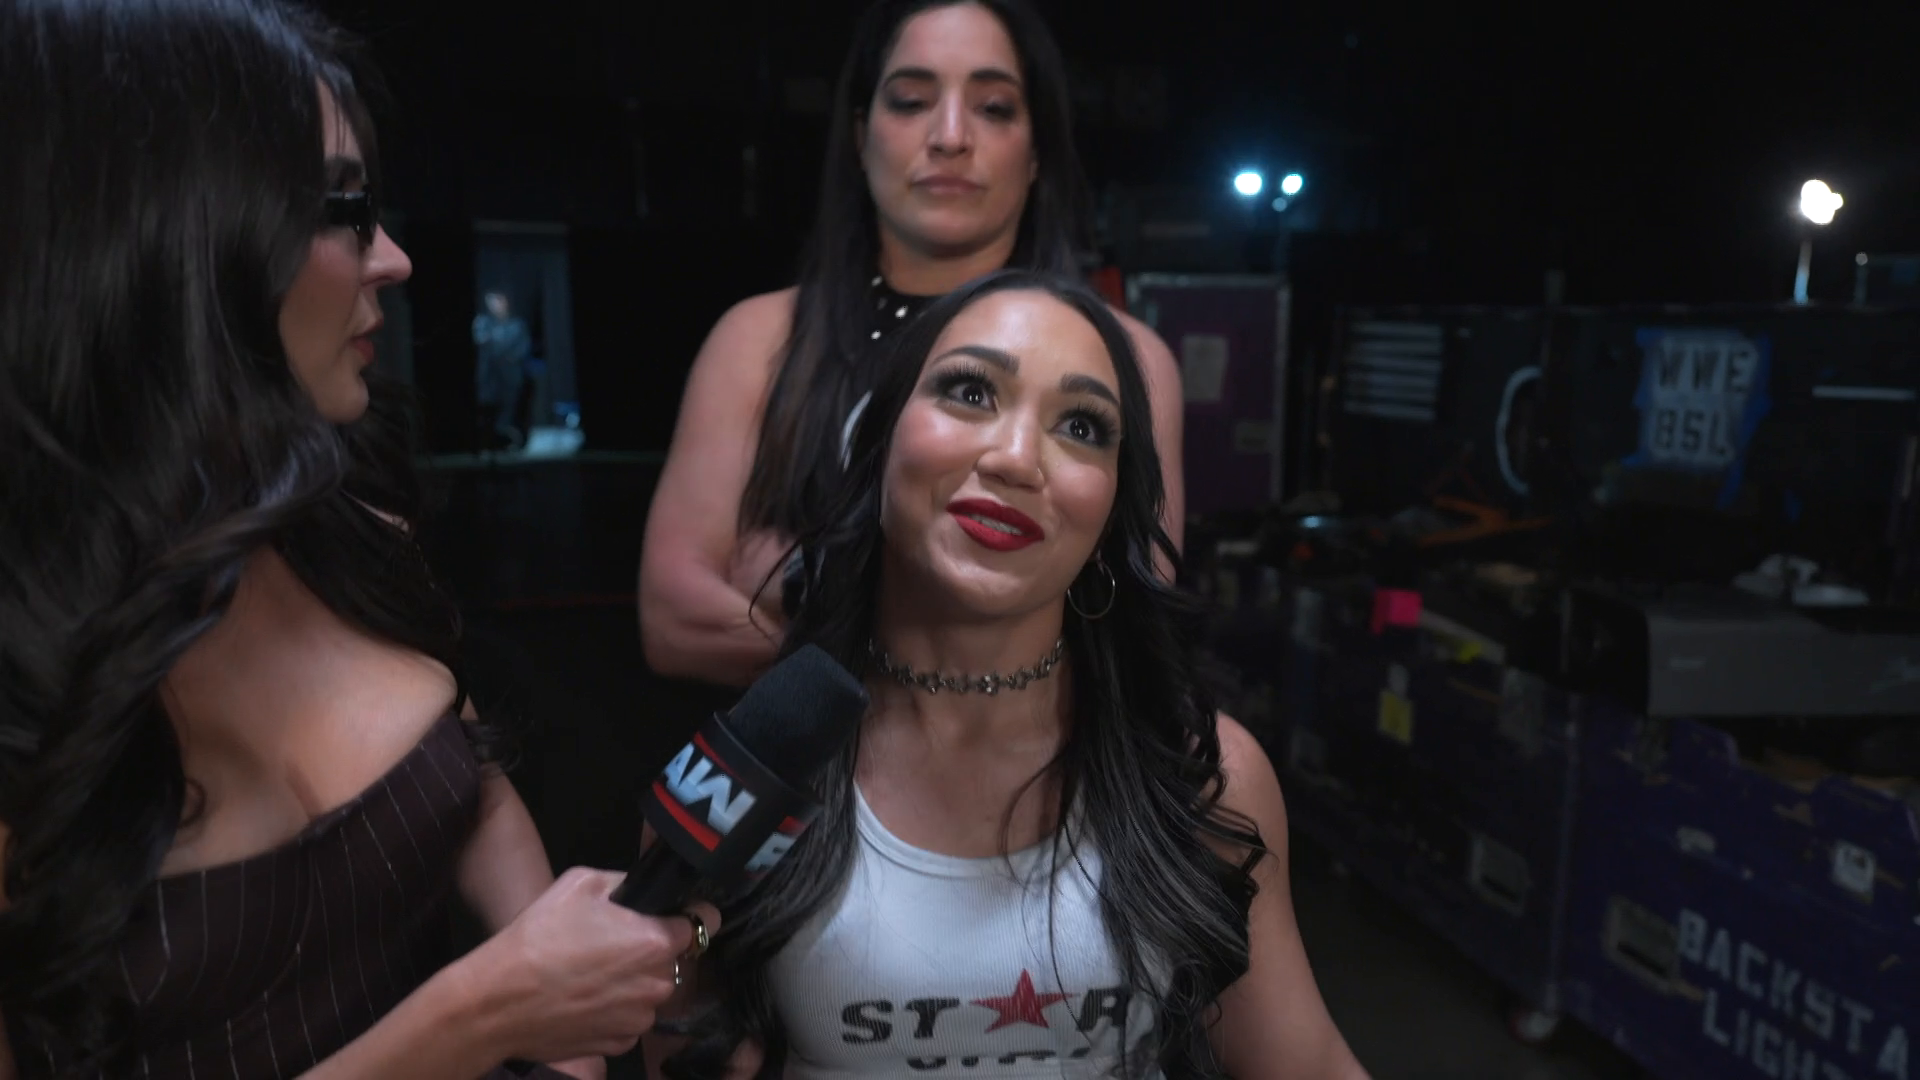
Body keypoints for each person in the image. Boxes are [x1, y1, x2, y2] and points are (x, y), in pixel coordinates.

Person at [0, 3, 712, 1079]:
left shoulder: (353, 531)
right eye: (341, 210)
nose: (395, 259)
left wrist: (574, 1021)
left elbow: (468, 785)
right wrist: (489, 1013)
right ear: (154, 234)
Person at [651, 271, 1368, 1079]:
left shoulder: (1199, 772)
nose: (1018, 459)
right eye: (970, 391)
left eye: (1082, 426)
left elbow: (1307, 1063)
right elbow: (679, 1035)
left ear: (1112, 514)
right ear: (879, 447)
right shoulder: (744, 774)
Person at [639, 0, 1188, 688]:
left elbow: (1127, 637)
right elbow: (676, 622)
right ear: (861, 134)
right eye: (910, 101)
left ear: (1037, 149)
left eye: (993, 107)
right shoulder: (759, 337)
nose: (950, 136)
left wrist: (800, 581)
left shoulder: (1125, 361)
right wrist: (963, 651)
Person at [473, 290, 533, 449]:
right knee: (489, 411)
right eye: (492, 301)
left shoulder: (517, 325)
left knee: (510, 412)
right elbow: (480, 343)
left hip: (511, 379)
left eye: (498, 301)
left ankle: (511, 441)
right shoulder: (483, 323)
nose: (495, 305)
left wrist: (508, 358)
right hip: (489, 380)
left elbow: (523, 348)